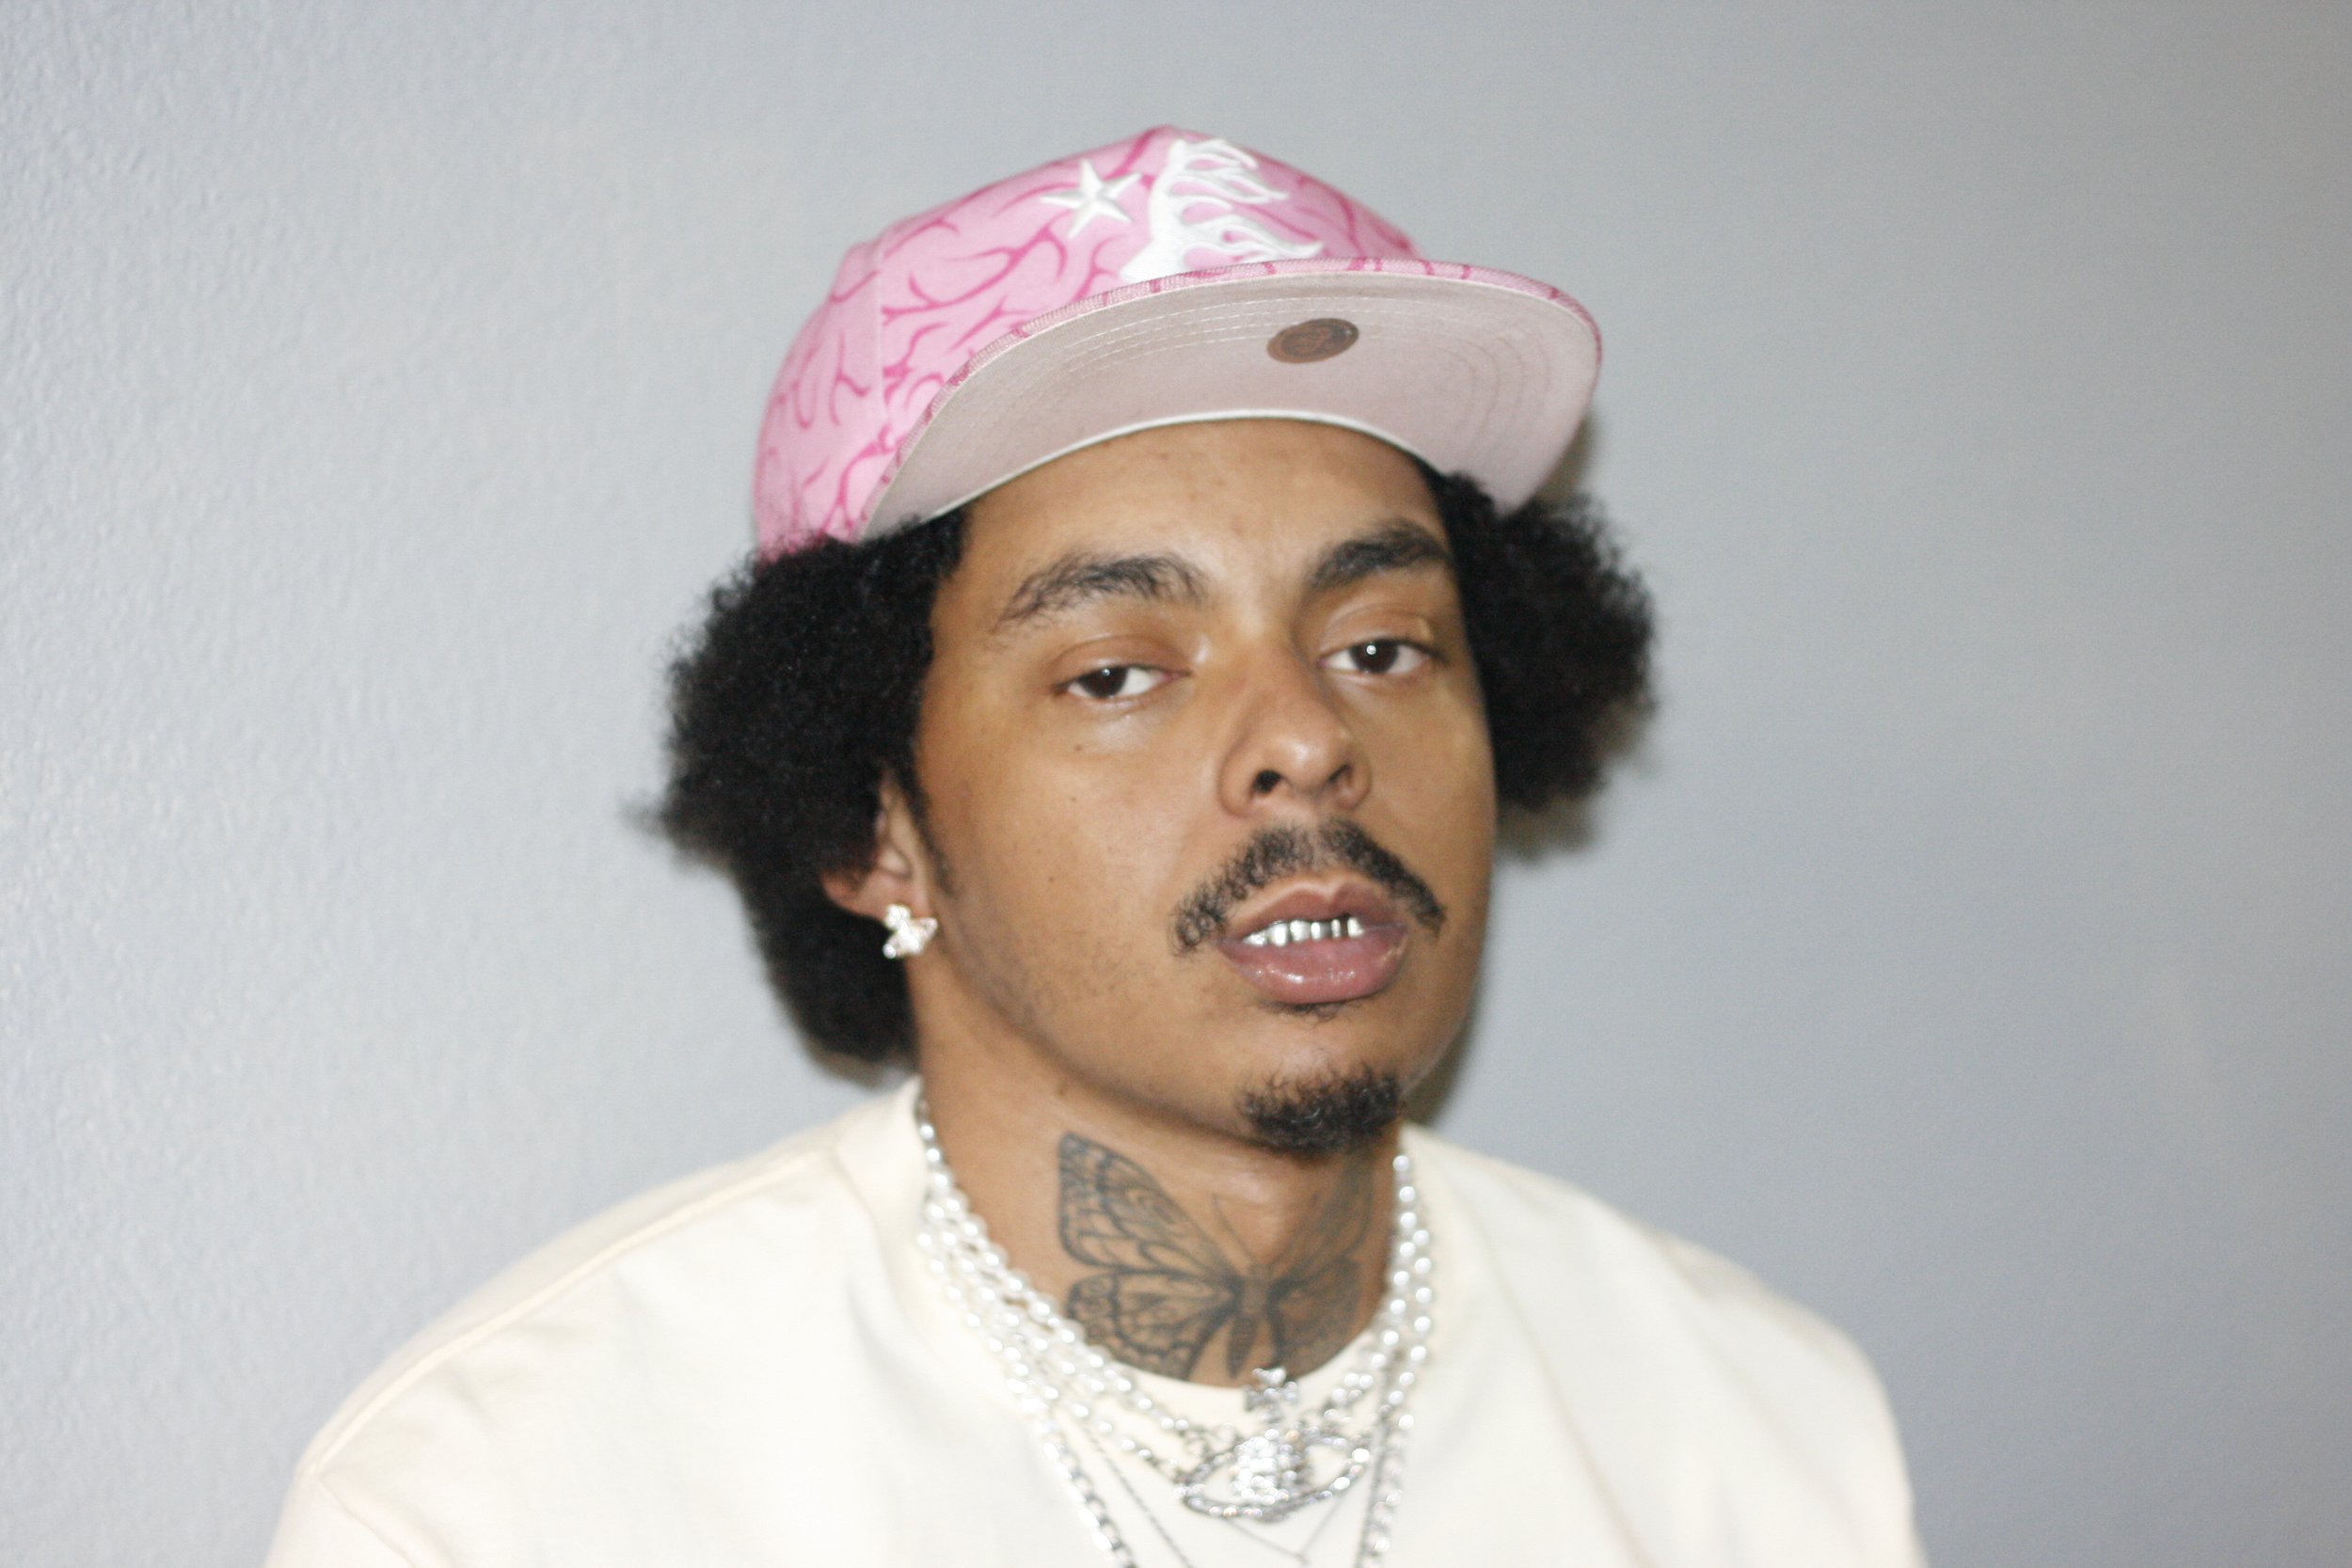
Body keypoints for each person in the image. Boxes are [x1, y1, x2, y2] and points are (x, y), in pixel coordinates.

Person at [264, 126, 1926, 1567]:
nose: (1306, 739)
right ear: (872, 825)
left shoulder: (1755, 1429)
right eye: (1118, 672)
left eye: (1380, 645)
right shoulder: (512, 1497)